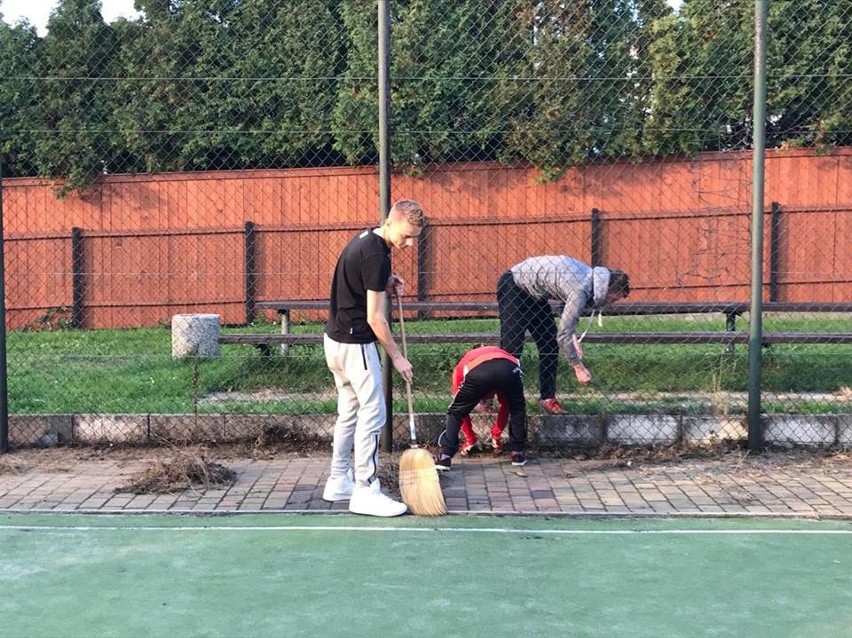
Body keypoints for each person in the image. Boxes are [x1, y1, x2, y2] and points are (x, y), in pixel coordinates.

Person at [321, 199, 425, 517]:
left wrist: (385, 282)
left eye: (414, 238)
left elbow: (361, 282)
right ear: (389, 222)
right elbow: (376, 319)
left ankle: (339, 481)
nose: (408, 244)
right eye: (405, 235)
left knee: (349, 412)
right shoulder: (378, 255)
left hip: (334, 341)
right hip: (356, 346)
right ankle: (366, 489)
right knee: (374, 414)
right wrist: (397, 357)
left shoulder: (366, 241)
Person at [497, 255, 629, 414]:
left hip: (536, 295)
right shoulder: (581, 288)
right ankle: (489, 398)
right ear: (608, 289)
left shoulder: (591, 278)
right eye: (613, 299)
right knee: (511, 350)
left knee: (549, 344)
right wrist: (578, 367)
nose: (611, 304)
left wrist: (573, 338)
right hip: (514, 285)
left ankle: (547, 398)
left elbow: (563, 306)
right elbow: (563, 334)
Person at [435, 345, 527, 470]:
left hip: (479, 372)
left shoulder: (460, 368)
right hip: (508, 368)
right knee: (517, 407)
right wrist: (496, 436)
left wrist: (470, 439)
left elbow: (460, 411)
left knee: (456, 411)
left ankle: (445, 456)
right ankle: (518, 453)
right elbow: (505, 406)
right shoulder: (502, 354)